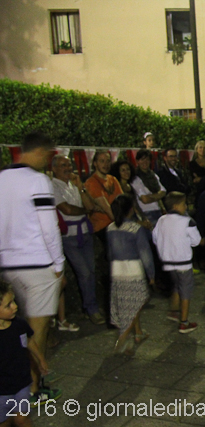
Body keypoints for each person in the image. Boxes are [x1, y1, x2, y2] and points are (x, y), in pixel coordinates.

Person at [0, 132, 64, 403]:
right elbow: (49, 226)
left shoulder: (1, 179)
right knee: (36, 330)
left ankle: (19, 384)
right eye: (47, 155)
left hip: (8, 264)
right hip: (38, 264)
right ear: (38, 152)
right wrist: (59, 263)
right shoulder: (38, 181)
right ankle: (33, 388)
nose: (47, 160)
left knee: (15, 327)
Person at [52, 155, 104, 325]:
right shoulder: (53, 186)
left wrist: (81, 188)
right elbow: (66, 209)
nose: (67, 168)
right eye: (63, 165)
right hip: (69, 236)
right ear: (54, 168)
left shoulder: (73, 184)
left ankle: (90, 306)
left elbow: (90, 206)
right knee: (85, 273)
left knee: (91, 271)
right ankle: (91, 309)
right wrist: (85, 211)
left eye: (69, 165)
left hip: (85, 233)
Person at [0, 280, 54, 422]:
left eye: (14, 301)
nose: (15, 306)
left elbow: (29, 341)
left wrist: (40, 359)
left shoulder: (19, 324)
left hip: (22, 382)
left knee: (22, 419)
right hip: (2, 389)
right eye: (8, 305)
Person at [107, 195, 155, 355]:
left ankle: (138, 332)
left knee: (127, 302)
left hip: (117, 270)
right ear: (130, 210)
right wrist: (151, 274)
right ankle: (123, 338)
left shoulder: (110, 228)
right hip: (133, 270)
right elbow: (145, 253)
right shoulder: (135, 228)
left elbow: (109, 252)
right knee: (136, 303)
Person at [152, 192, 202, 334]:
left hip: (167, 261)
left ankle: (173, 311)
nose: (185, 206)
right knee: (185, 290)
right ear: (176, 206)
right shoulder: (187, 222)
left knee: (176, 285)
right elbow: (196, 241)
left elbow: (155, 238)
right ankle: (184, 322)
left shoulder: (161, 220)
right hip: (183, 262)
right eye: (183, 204)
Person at [85, 150, 123, 245]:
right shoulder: (92, 182)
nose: (106, 164)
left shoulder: (112, 179)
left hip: (115, 222)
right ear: (95, 163)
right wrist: (123, 223)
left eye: (108, 161)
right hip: (102, 226)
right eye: (102, 161)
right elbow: (107, 208)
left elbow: (123, 201)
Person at [110, 159, 152, 230]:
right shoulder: (117, 188)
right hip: (125, 221)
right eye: (123, 170)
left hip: (135, 216)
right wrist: (138, 222)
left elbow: (136, 205)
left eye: (128, 169)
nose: (126, 172)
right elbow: (121, 211)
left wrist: (144, 219)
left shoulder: (130, 186)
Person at [131, 149, 166, 225]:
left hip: (159, 210)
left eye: (147, 159)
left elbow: (163, 191)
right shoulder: (135, 178)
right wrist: (157, 196)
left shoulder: (154, 176)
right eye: (142, 159)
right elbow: (145, 199)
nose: (145, 162)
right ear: (137, 161)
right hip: (147, 212)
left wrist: (150, 197)